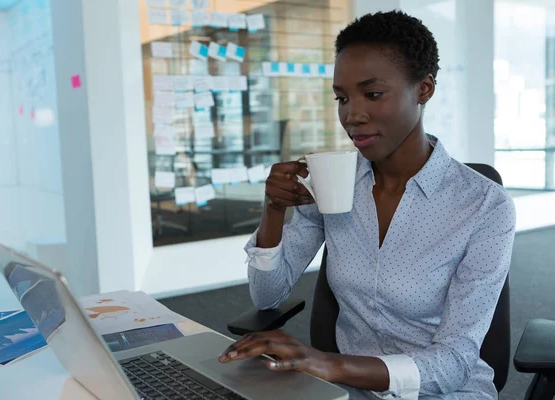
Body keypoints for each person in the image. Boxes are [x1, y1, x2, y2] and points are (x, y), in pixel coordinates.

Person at [218, 10, 516, 400]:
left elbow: (456, 361)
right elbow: (267, 297)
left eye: (372, 94)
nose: (352, 116)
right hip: (349, 389)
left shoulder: (484, 206)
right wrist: (273, 209)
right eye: (342, 98)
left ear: (424, 89)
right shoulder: (331, 182)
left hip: (443, 391)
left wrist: (330, 364)